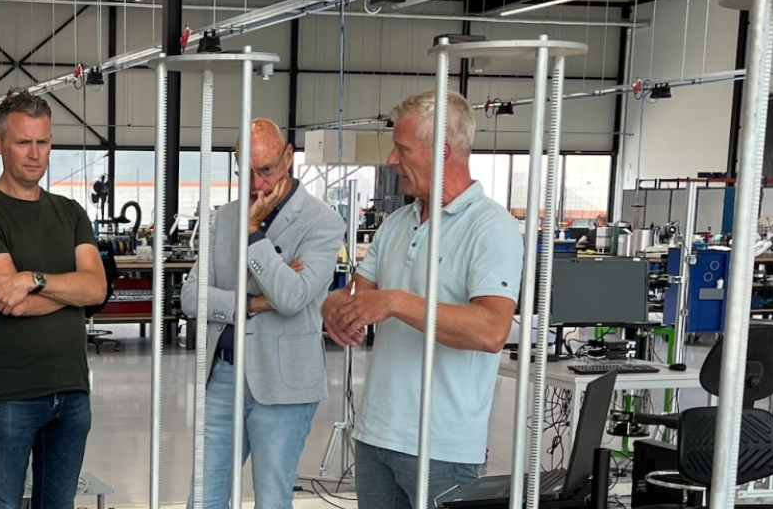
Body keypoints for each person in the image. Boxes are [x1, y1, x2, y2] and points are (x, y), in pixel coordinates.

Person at [321, 90, 522, 509]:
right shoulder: (397, 222)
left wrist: (397, 302)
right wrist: (334, 307)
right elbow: (360, 295)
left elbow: (491, 331)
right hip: (376, 434)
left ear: (442, 151)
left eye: (402, 148)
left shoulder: (491, 227)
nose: (392, 160)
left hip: (441, 446)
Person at [0, 93, 108, 509]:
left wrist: (33, 279)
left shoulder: (71, 212)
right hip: (9, 396)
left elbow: (97, 289)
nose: (35, 154)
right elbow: (12, 303)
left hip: (72, 392)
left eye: (43, 142)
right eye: (23, 142)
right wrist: (70, 292)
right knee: (2, 504)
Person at [181, 119, 345, 509]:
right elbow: (190, 297)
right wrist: (252, 304)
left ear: (288, 157)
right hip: (223, 375)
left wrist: (254, 233)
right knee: (203, 498)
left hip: (284, 385)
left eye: (267, 169)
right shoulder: (224, 217)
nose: (257, 184)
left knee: (271, 499)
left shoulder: (322, 222)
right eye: (247, 171)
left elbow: (290, 299)